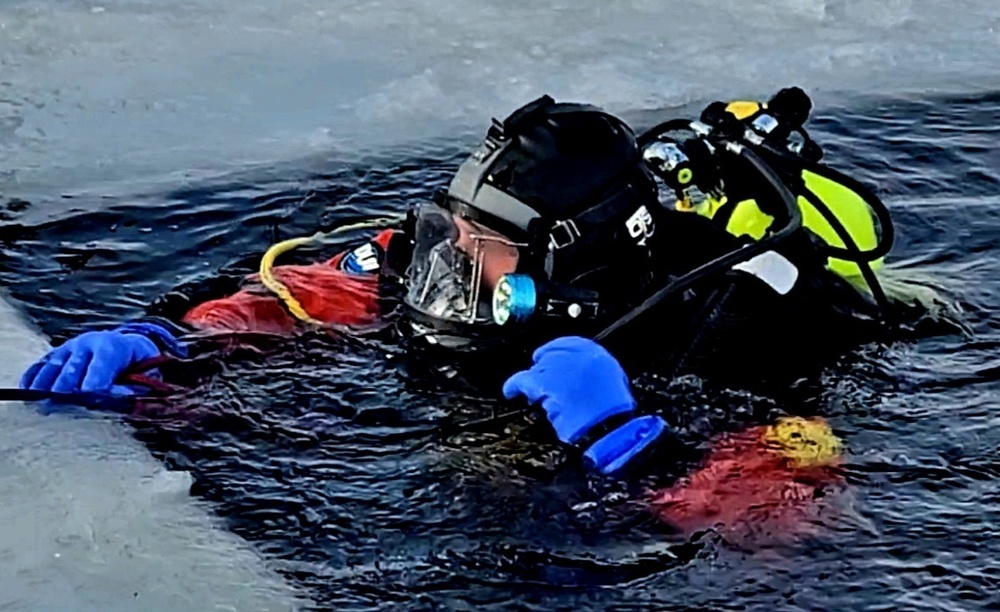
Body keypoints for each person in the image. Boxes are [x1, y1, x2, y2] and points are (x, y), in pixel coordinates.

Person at [18, 89, 890, 498]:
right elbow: (307, 293)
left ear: (576, 257)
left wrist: (632, 444)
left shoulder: (733, 320)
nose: (452, 269)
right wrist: (175, 341)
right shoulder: (442, 262)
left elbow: (784, 517)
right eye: (451, 236)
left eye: (487, 251)